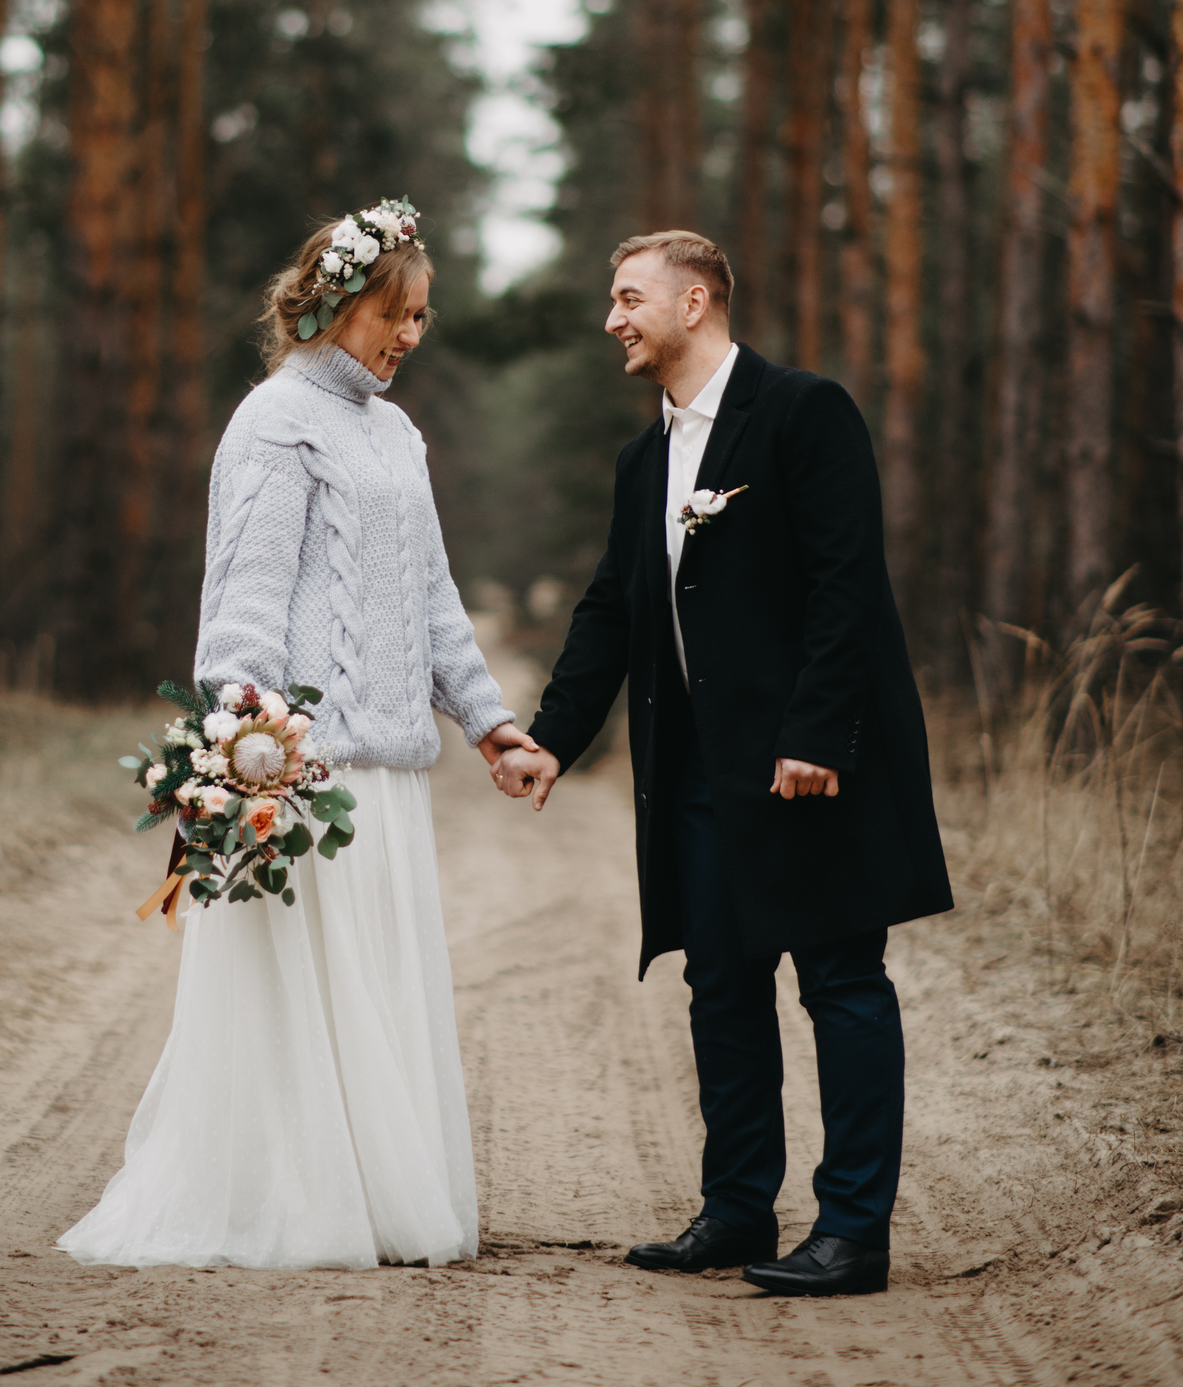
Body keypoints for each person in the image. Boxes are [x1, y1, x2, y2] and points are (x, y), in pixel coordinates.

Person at [58, 199, 532, 1272]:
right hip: (306, 777)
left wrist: (489, 720)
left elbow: (431, 598)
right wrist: (244, 767)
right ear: (334, 303)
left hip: (392, 777)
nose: (411, 336)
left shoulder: (394, 431)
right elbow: (243, 606)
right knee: (303, 999)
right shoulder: (272, 422)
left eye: (423, 317)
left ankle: (376, 1193)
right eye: (395, 314)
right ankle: (293, 1203)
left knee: (375, 992)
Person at [491, 229, 952, 1298]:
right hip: (693, 770)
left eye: (628, 297)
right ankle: (738, 1209)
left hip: (809, 761)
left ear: (695, 302)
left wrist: (814, 735)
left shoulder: (802, 413)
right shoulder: (642, 458)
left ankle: (851, 1233)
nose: (612, 319)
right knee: (722, 987)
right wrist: (552, 737)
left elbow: (846, 586)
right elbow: (612, 608)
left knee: (840, 982)